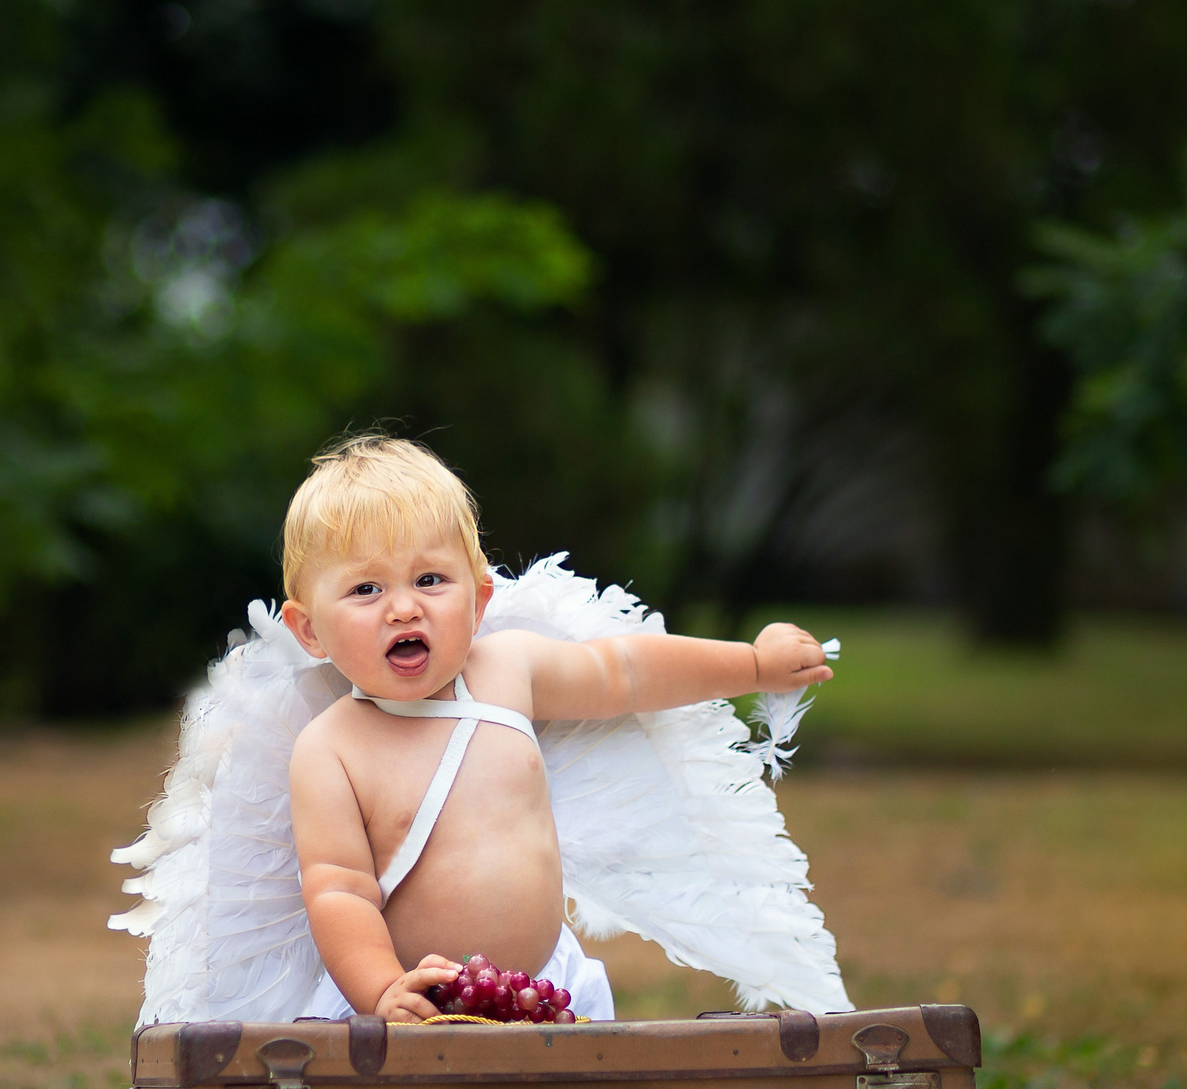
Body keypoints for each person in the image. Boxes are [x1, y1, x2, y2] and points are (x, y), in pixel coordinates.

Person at [279, 435, 834, 1023]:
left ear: (478, 599)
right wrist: (383, 989)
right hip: (416, 1008)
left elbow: (624, 671)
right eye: (366, 589)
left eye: (430, 580)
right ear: (309, 630)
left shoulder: (506, 671)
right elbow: (339, 891)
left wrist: (752, 664)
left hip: (547, 991)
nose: (404, 608)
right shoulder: (331, 749)